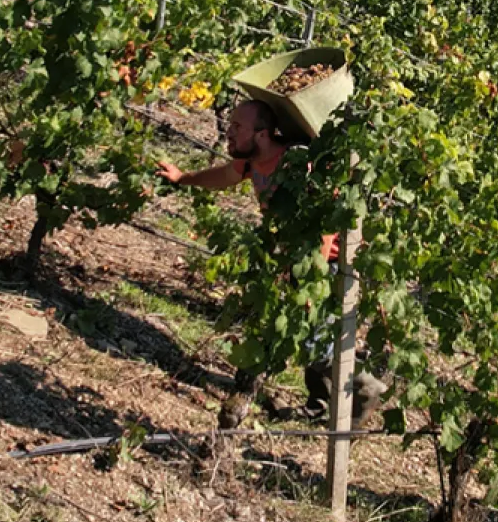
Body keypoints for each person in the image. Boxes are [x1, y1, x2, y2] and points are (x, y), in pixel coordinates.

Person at [159, 97, 387, 422]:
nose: (229, 132)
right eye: (230, 125)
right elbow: (225, 175)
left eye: (238, 127)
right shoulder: (251, 161)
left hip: (331, 260)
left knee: (315, 338)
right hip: (298, 255)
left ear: (262, 135)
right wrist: (184, 177)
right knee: (309, 330)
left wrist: (311, 281)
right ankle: (321, 403)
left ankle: (365, 388)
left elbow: (322, 224)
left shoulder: (296, 163)